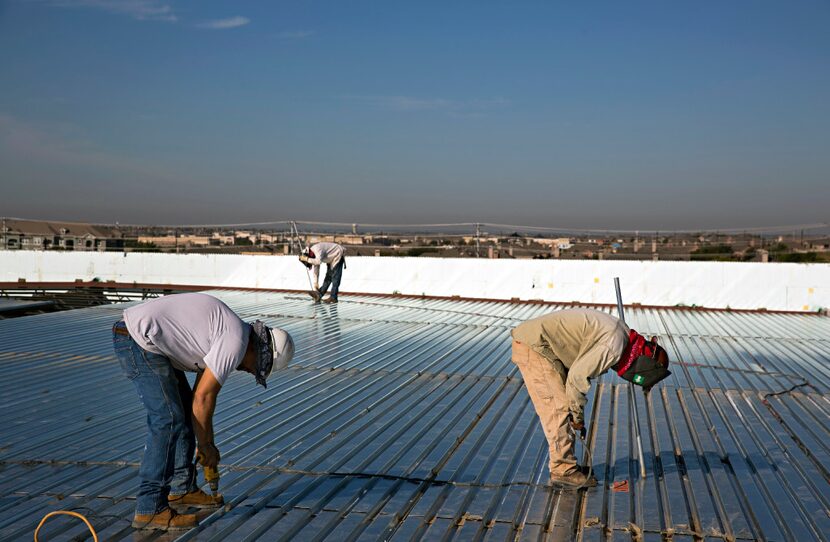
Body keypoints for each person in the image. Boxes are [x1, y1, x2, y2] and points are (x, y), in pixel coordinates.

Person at [112, 292, 295, 530]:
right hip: (137, 340)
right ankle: (150, 508)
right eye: (259, 368)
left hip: (147, 340)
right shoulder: (234, 342)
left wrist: (206, 441)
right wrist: (207, 446)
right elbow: (204, 397)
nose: (252, 372)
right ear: (261, 352)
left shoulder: (230, 333)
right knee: (167, 419)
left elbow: (199, 401)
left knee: (182, 411)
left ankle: (181, 488)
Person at [511, 308, 670, 488]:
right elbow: (577, 379)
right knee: (559, 409)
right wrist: (577, 417)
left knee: (563, 404)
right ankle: (563, 471)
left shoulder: (623, 336)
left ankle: (567, 465)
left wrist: (576, 413)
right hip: (535, 347)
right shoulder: (614, 346)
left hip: (543, 345)